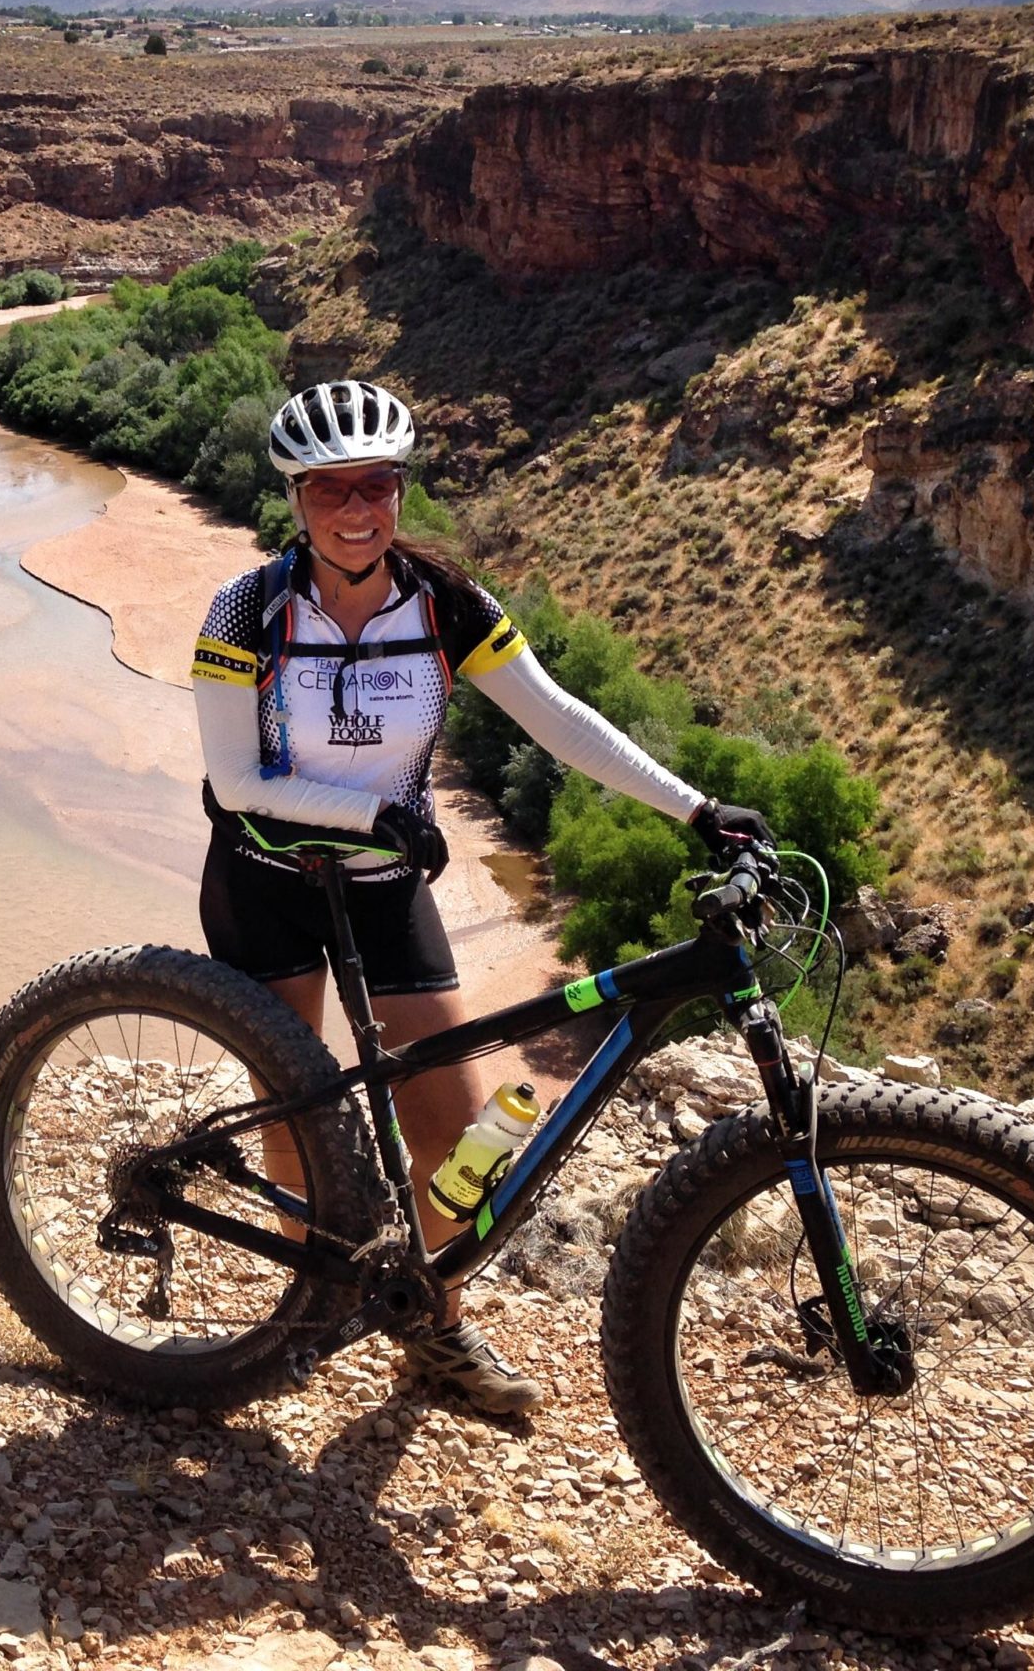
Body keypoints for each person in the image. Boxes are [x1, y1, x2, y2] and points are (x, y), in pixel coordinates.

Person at [189, 378, 769, 1413]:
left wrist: (694, 809)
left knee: (465, 1144)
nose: (357, 510)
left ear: (401, 492)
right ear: (296, 500)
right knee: (295, 1126)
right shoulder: (248, 609)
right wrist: (368, 814)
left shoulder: (448, 606)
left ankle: (429, 1326)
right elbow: (237, 781)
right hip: (266, 877)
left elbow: (557, 720)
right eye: (331, 491)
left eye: (376, 486)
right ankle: (307, 1308)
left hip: (383, 887)